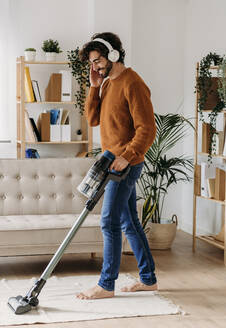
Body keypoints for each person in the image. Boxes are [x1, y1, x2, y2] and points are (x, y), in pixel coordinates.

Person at [76, 32, 158, 300]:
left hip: (126, 163)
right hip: (112, 160)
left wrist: (128, 156)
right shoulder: (108, 83)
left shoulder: (133, 83)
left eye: (98, 60)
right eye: (92, 63)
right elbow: (92, 119)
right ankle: (148, 280)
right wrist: (93, 86)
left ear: (113, 55)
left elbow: (147, 129)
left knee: (108, 221)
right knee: (129, 221)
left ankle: (106, 284)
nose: (95, 66)